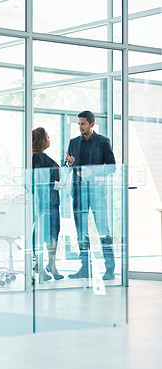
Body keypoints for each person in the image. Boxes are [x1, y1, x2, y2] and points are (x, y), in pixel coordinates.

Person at [65, 111, 116, 280]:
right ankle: (85, 267)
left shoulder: (103, 142)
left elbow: (112, 167)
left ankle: (109, 269)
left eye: (83, 124)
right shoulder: (73, 142)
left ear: (92, 124)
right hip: (79, 193)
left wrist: (92, 172)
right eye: (78, 124)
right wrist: (68, 163)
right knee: (81, 232)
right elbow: (68, 165)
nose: (80, 127)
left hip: (97, 192)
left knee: (103, 230)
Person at [32, 127, 64, 280]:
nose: (49, 139)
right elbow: (39, 181)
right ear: (41, 140)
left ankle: (51, 264)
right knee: (42, 233)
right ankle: (39, 264)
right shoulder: (36, 158)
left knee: (53, 232)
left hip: (52, 201)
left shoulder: (44, 156)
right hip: (44, 202)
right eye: (48, 137)